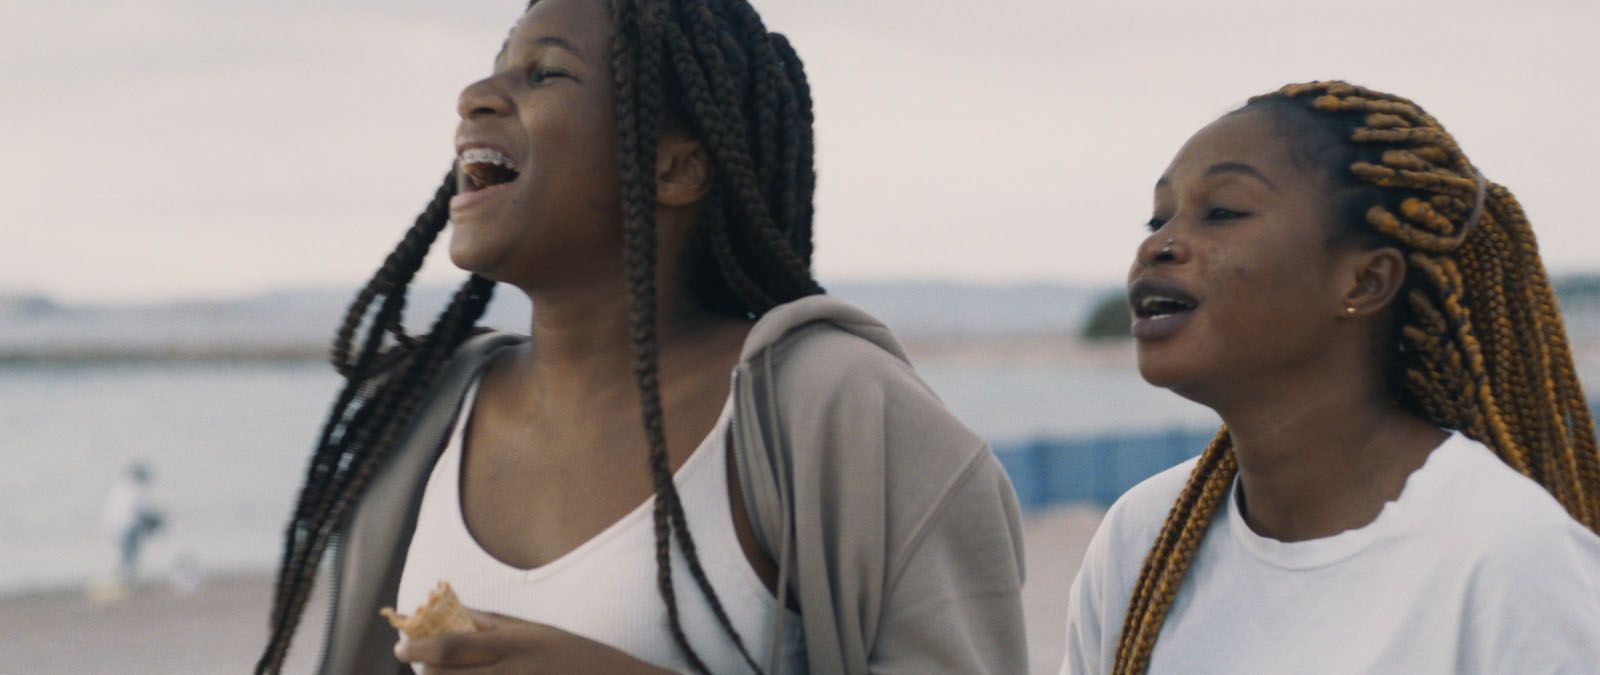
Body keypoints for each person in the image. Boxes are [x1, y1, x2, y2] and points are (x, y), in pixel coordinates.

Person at [255, 1, 1027, 673]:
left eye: (545, 73)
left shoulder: (841, 412)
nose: (475, 97)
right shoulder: (420, 415)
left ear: (676, 167)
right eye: (496, 68)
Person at [1062, 81, 1600, 674]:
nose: (1159, 246)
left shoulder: (1508, 558)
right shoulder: (1142, 538)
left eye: (1222, 212)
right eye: (1158, 218)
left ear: (1366, 281)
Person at [102, 462, 163, 586]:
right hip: (127, 527)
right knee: (129, 555)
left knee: (123, 555)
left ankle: (123, 578)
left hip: (115, 526)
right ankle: (126, 579)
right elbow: (140, 510)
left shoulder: (120, 488)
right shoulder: (134, 489)